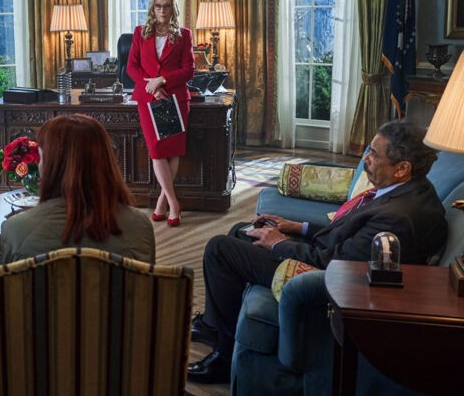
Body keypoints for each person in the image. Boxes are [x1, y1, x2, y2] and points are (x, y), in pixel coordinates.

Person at [186, 120, 448, 384]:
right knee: (241, 231)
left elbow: (338, 263)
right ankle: (214, 325)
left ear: (402, 168)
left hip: (326, 279)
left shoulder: (399, 218)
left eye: (374, 154)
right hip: (328, 254)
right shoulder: (409, 191)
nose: (365, 158)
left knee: (220, 249)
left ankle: (224, 356)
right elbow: (349, 232)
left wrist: (279, 243)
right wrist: (299, 227)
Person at [0, 114, 155, 264]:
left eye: (41, 157)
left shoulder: (14, 231)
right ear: (106, 162)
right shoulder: (140, 228)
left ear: (49, 164)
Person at [126, 0, 195, 227]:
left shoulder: (184, 35)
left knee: (172, 151)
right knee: (156, 151)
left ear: (173, 8)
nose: (162, 10)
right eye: (158, 6)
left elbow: (189, 70)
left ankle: (162, 203)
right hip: (148, 99)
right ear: (152, 8)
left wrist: (163, 80)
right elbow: (131, 67)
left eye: (167, 6)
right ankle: (174, 203)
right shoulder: (140, 33)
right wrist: (152, 86)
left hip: (174, 99)